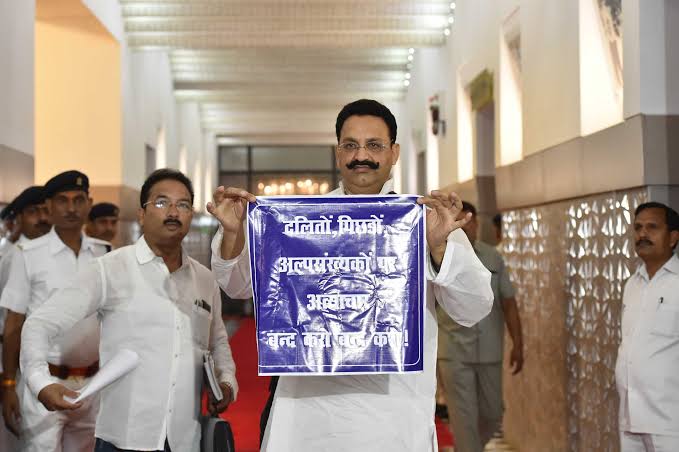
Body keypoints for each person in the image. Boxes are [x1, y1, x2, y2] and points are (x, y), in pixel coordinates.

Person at [208, 99, 494, 451]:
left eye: (374, 145)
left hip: (394, 418)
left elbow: (474, 307)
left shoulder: (427, 220)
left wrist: (438, 249)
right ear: (338, 153)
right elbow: (238, 286)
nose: (362, 156)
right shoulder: (297, 221)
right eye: (350, 145)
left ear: (394, 153)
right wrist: (234, 234)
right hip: (305, 419)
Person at [20, 169, 238, 452]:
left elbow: (217, 340)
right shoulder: (109, 269)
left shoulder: (205, 279)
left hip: (186, 437)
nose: (173, 212)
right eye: (162, 202)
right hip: (123, 438)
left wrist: (226, 380)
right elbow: (39, 323)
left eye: (183, 205)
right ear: (141, 214)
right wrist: (40, 382)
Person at [0, 171, 110, 452]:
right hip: (44, 383)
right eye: (63, 200)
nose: (71, 208)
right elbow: (13, 324)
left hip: (92, 384)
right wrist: (8, 384)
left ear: (89, 203)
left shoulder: (104, 254)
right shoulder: (28, 254)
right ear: (49, 206)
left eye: (79, 200)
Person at [436, 201, 524, 452]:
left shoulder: (492, 257)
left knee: (493, 413)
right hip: (453, 352)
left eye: (469, 222)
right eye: (460, 223)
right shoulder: (438, 257)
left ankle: (470, 447)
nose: (466, 228)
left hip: (489, 350)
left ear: (476, 224)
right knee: (463, 418)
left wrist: (519, 343)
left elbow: (509, 303)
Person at [615, 201, 679, 452]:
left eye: (652, 227)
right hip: (630, 416)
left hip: (669, 420)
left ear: (673, 238)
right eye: (638, 227)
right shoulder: (632, 285)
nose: (642, 234)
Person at [0, 186, 51, 451]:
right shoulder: (14, 256)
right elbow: (10, 322)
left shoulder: (43, 253)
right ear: (18, 218)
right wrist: (7, 380)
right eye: (33, 212)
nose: (42, 218)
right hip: (17, 365)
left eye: (45, 210)